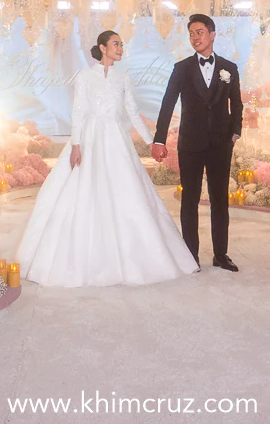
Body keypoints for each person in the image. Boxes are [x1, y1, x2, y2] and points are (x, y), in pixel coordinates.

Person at [16, 30, 199, 287]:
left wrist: (152, 142)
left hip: (115, 140)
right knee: (83, 191)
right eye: (116, 44)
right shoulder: (85, 76)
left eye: (122, 44)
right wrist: (76, 145)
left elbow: (133, 113)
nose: (121, 48)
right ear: (103, 48)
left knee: (126, 190)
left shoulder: (123, 78)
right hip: (89, 138)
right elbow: (78, 111)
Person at [151, 14, 243, 272]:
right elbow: (168, 103)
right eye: (191, 33)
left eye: (200, 32)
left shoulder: (229, 68)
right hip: (190, 143)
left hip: (220, 144)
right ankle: (190, 256)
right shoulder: (182, 68)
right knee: (189, 200)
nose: (195, 38)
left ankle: (221, 255)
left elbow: (236, 103)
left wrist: (235, 131)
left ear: (212, 34)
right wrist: (159, 138)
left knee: (220, 200)